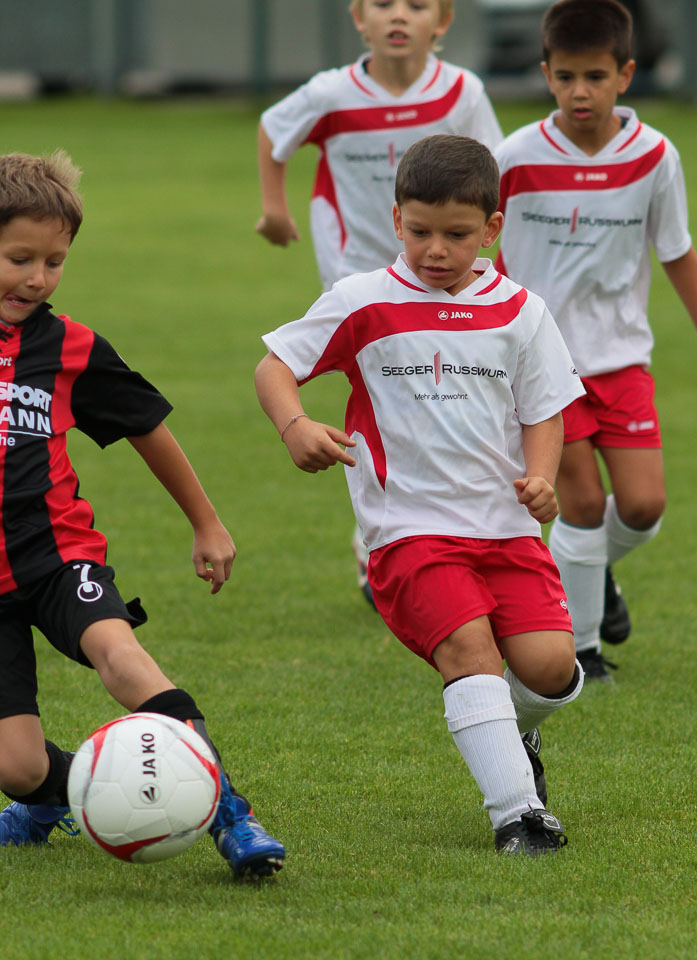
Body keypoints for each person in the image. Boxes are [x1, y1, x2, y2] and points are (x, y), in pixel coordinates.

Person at [255, 134, 586, 855]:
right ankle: (519, 815)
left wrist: (541, 476)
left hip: (505, 527)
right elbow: (274, 366)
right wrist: (294, 425)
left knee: (551, 669)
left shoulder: (521, 311)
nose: (436, 250)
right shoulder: (363, 301)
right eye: (419, 231)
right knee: (470, 651)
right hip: (409, 528)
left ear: (491, 229)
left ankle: (512, 731)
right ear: (396, 219)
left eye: (456, 235)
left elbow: (544, 409)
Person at [0, 151, 284, 878]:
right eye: (19, 259)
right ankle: (64, 796)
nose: (37, 279)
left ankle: (230, 813)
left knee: (122, 659)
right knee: (17, 766)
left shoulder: (70, 347)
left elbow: (146, 427)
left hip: (58, 555)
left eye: (54, 262)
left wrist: (206, 522)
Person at [494, 0, 697, 681]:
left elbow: (676, 249)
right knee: (579, 504)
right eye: (566, 76)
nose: (580, 91)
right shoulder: (514, 157)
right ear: (546, 73)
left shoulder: (655, 156)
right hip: (542, 363)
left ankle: (590, 571)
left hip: (622, 358)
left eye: (596, 76)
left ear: (626, 75)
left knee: (642, 506)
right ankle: (581, 651)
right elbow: (478, 247)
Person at [256, 0, 504, 605]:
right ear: (357, 17)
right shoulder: (331, 93)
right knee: (389, 399)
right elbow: (273, 130)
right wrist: (275, 209)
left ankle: (432, 532)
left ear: (442, 21)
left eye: (416, 5)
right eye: (383, 4)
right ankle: (381, 539)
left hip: (442, 270)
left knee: (442, 397)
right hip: (359, 273)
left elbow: (493, 174)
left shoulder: (462, 92)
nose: (399, 16)